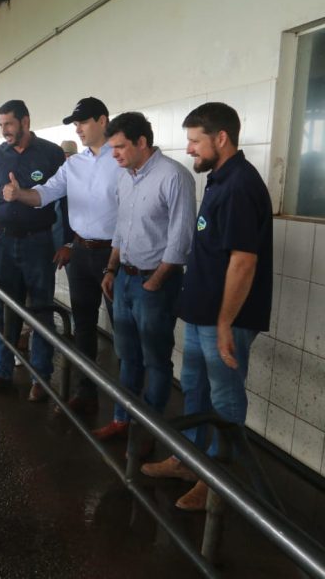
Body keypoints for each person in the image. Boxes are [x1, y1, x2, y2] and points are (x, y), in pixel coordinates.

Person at [141, 102, 273, 511]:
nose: (190, 149)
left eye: (195, 141)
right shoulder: (219, 179)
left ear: (221, 138)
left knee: (225, 400)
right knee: (195, 390)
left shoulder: (239, 185)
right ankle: (188, 462)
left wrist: (225, 324)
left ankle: (220, 484)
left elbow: (243, 261)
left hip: (224, 322)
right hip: (202, 315)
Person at [3, 97, 122, 415]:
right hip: (82, 251)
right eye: (75, 124)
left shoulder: (122, 161)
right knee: (83, 325)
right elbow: (46, 194)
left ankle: (129, 410)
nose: (78, 129)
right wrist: (20, 195)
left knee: (123, 331)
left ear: (102, 120)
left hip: (116, 254)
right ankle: (86, 392)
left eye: (83, 122)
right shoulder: (75, 164)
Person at [96, 112, 196, 444]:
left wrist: (156, 281)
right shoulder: (126, 177)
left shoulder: (174, 177)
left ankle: (149, 430)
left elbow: (181, 240)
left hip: (156, 282)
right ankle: (123, 419)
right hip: (124, 278)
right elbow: (120, 231)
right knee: (127, 355)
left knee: (155, 359)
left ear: (142, 142)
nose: (115, 155)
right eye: (112, 148)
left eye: (120, 147)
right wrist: (111, 269)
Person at [0, 99, 70, 401]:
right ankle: (2, 371)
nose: (4, 131)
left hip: (38, 242)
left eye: (9, 124)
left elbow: (65, 199)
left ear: (25, 122)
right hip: (1, 241)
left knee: (40, 310)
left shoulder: (51, 154)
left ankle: (40, 378)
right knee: (2, 309)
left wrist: (66, 241)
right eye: (1, 125)